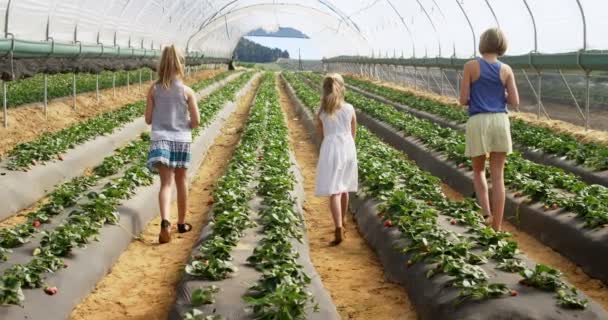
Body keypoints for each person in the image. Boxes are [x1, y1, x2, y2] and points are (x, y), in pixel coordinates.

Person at [459, 28, 520, 231]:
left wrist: (478, 96)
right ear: (502, 45)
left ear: (482, 43)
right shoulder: (506, 69)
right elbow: (514, 101)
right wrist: (498, 95)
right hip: (500, 121)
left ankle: (486, 212)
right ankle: (497, 226)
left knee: (478, 171)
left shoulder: (471, 66)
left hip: (478, 121)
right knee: (498, 176)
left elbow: (462, 100)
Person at [145, 45, 200, 243]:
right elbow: (196, 121)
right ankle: (182, 222)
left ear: (161, 65)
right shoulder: (187, 91)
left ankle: (165, 222)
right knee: (181, 181)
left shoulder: (154, 89)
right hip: (181, 140)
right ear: (180, 65)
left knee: (165, 184)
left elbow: (148, 119)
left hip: (160, 139)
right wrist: (183, 123)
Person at [315, 73, 358, 245]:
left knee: (334, 191)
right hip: (347, 147)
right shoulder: (349, 108)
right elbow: (353, 129)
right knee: (344, 187)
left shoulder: (322, 112)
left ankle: (338, 226)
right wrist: (349, 145)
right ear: (342, 89)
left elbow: (320, 134)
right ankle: (344, 221)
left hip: (330, 148)